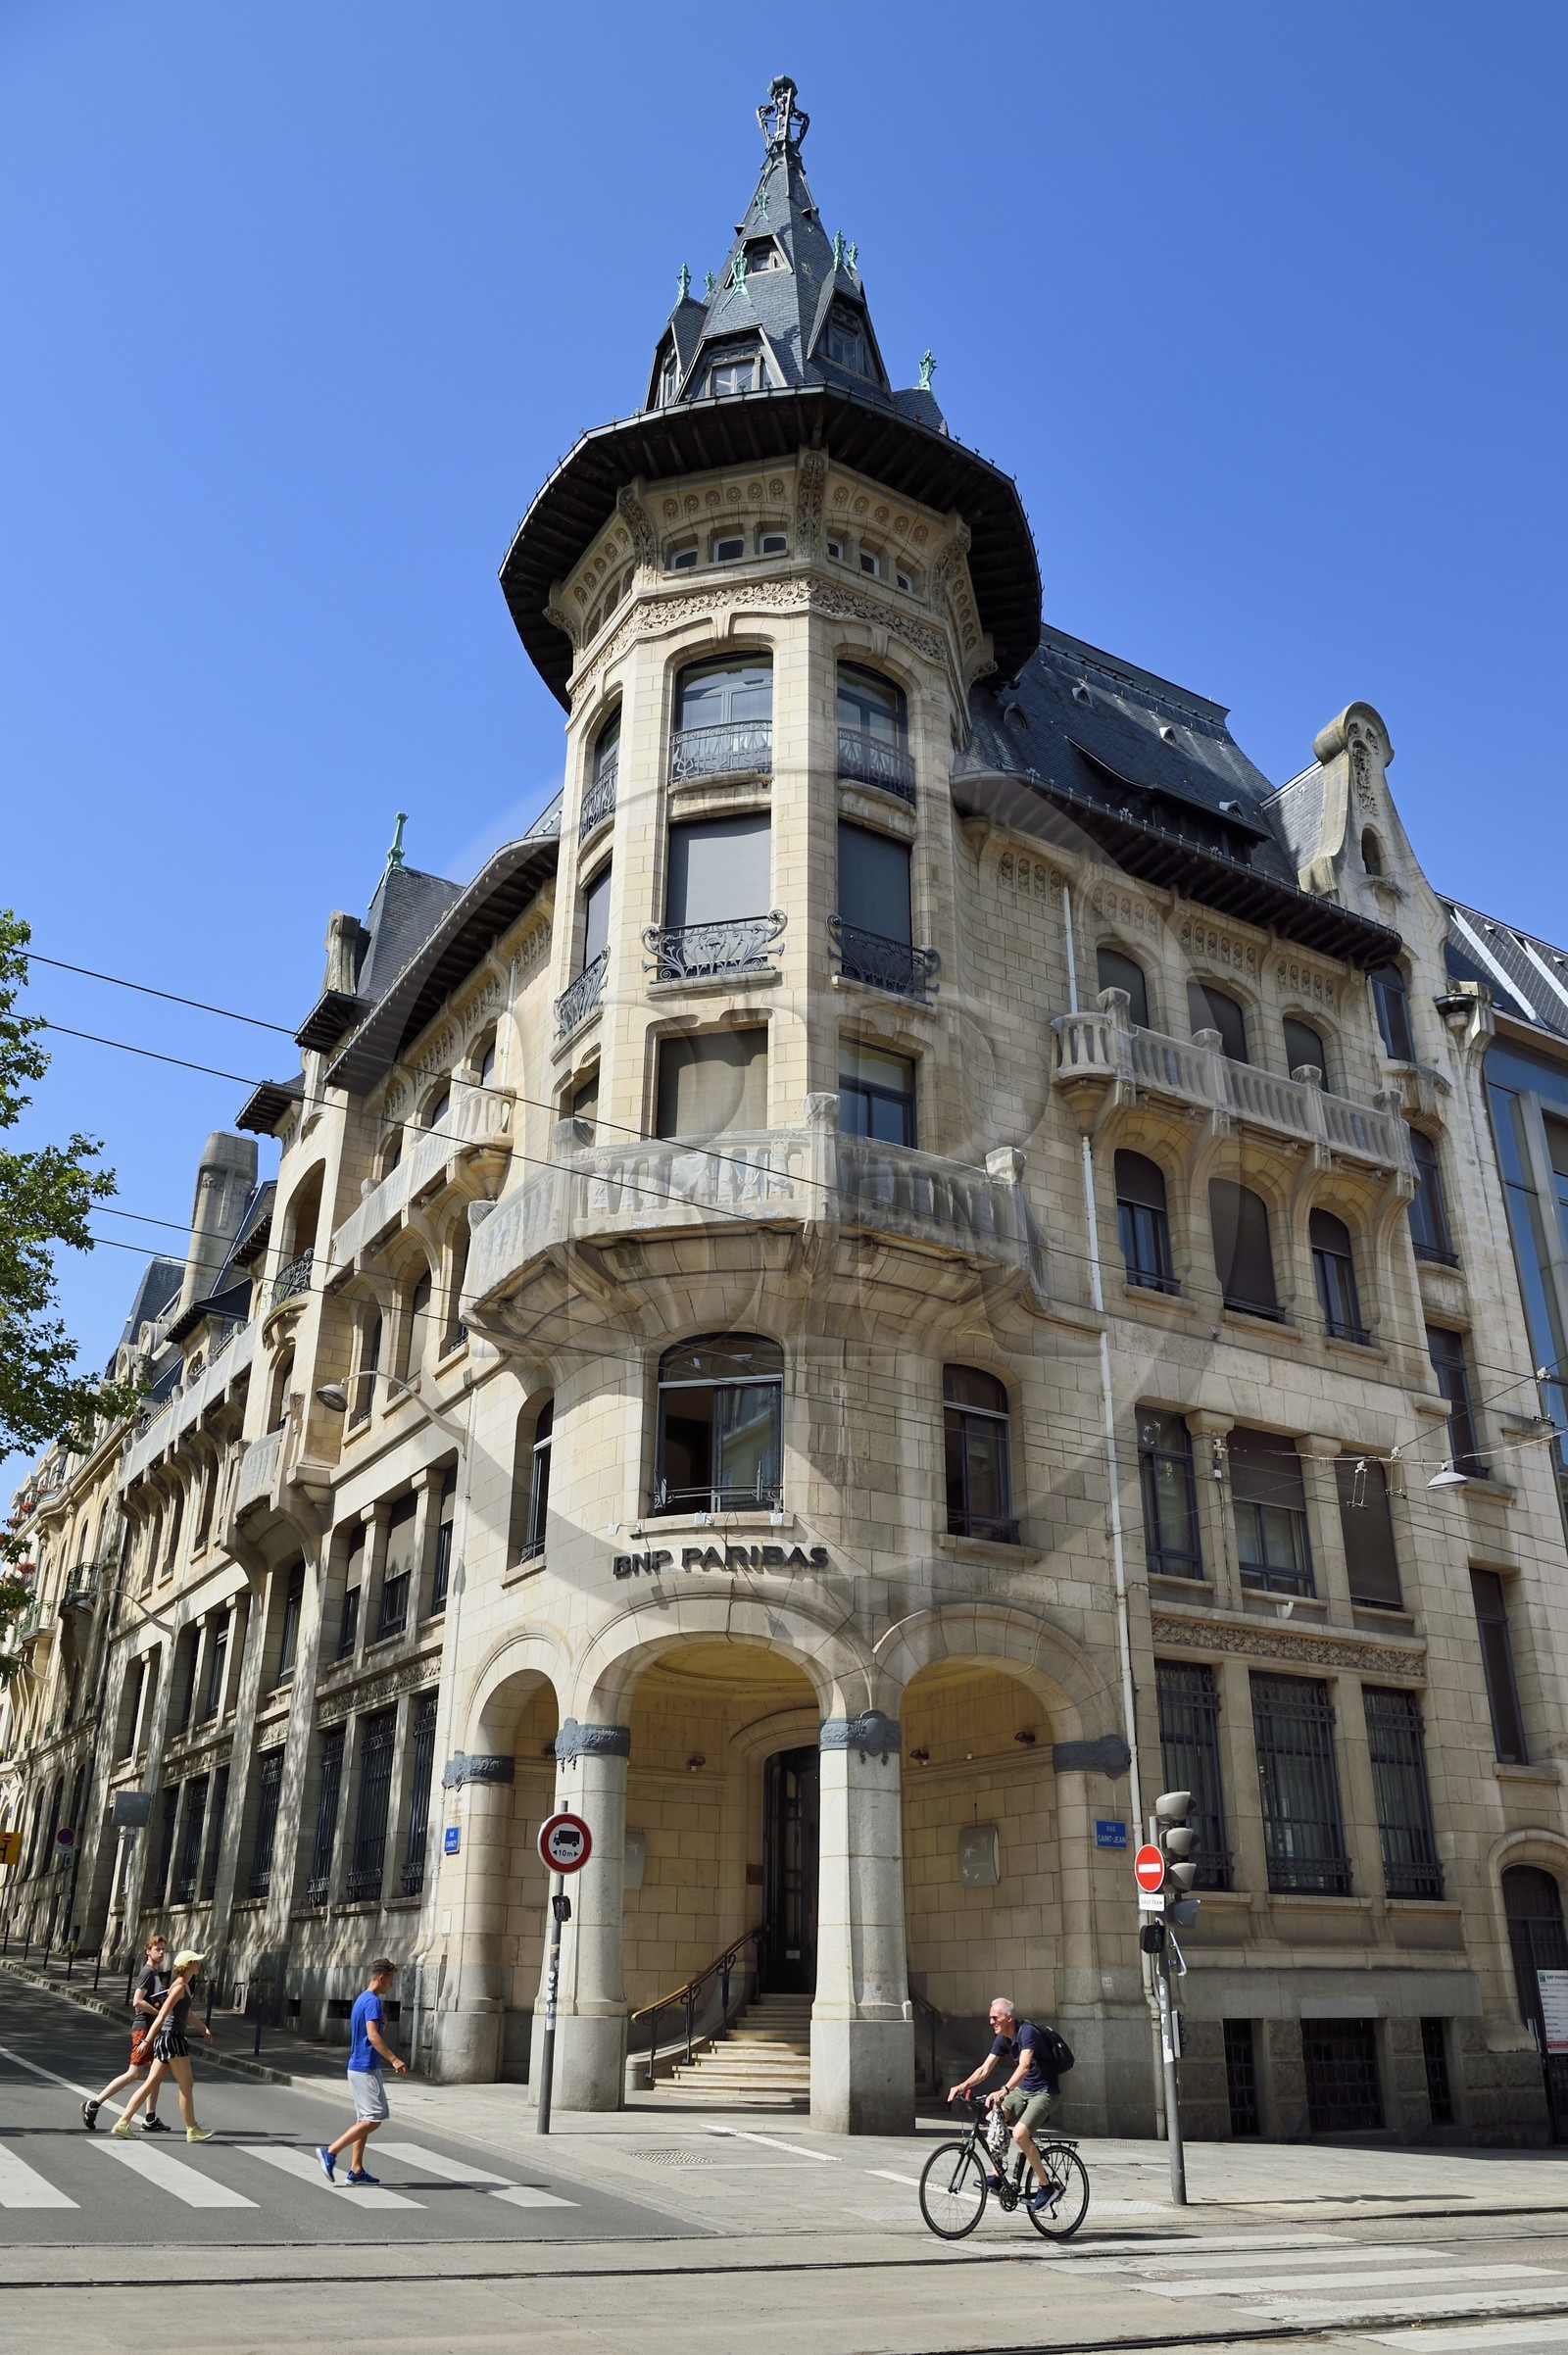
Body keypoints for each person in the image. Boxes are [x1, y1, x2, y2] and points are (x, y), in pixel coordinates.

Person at [948, 1995, 1064, 2215]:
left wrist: (1004, 2090)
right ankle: (997, 2175)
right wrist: (962, 2086)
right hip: (1022, 2091)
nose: (991, 2022)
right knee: (994, 2117)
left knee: (1020, 2134)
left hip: (1044, 2092)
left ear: (1009, 2017)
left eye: (995, 2018)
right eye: (990, 2018)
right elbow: (984, 2069)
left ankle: (1046, 2186)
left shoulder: (1027, 2032)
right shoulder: (1002, 2038)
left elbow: (1025, 2066)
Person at [318, 1957, 408, 2185]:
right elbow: (373, 2036)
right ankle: (330, 2151)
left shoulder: (362, 1999)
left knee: (364, 2119)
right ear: (382, 1977)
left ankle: (356, 2170)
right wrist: (394, 2059)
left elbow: (370, 2031)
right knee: (375, 2118)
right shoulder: (373, 2001)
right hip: (365, 2068)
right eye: (391, 1980)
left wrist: (380, 2025)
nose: (392, 1985)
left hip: (359, 2067)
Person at [112, 1947, 215, 2142]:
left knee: (151, 2083)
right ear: (187, 1966)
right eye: (195, 1961)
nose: (199, 1964)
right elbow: (162, 2016)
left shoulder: (184, 1986)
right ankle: (192, 2128)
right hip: (172, 2039)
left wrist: (203, 2028)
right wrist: (147, 2040)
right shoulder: (178, 1987)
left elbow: (186, 2012)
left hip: (168, 2038)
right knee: (187, 2084)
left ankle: (123, 2123)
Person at [81, 1933, 172, 2134]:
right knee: (134, 2073)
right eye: (157, 1949)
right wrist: (159, 2013)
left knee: (155, 2073)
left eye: (163, 1949)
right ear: (148, 1951)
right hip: (143, 2028)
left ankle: (150, 2117)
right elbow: (137, 2002)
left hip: (152, 2028)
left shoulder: (155, 1973)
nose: (161, 1952)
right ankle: (94, 2104)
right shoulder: (147, 1972)